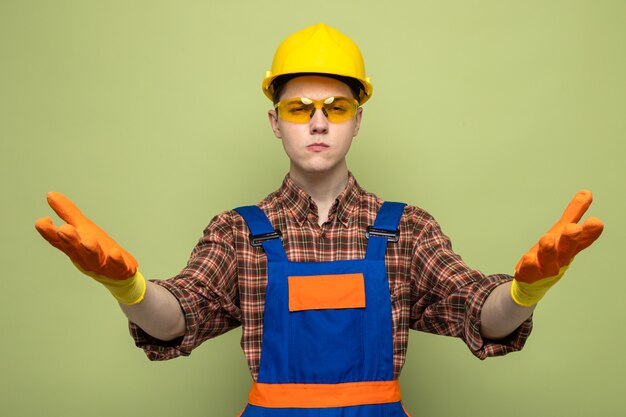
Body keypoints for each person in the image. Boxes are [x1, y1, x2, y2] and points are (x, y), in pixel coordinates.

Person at [35, 23, 604, 417]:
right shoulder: (238, 232)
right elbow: (176, 318)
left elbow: (482, 313)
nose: (317, 123)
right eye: (297, 108)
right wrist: (126, 285)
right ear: (274, 121)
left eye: (336, 108)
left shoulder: (407, 230)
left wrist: (529, 289)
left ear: (358, 120)